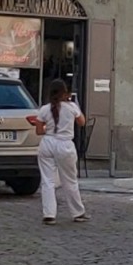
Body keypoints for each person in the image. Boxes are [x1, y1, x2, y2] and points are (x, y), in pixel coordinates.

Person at [33, 79, 88, 225]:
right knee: (70, 180)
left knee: (47, 180)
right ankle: (78, 212)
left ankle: (49, 214)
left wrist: (48, 128)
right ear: (65, 92)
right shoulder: (71, 107)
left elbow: (38, 131)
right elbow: (82, 122)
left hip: (48, 143)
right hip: (65, 144)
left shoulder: (44, 109)